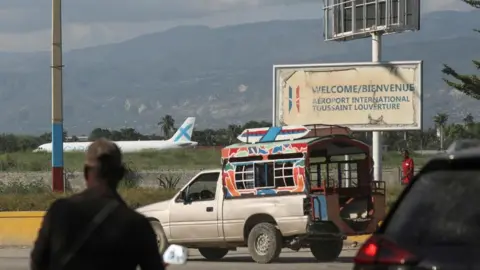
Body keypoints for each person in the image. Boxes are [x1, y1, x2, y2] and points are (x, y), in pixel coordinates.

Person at [30, 138, 165, 270]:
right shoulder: (137, 224)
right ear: (121, 173)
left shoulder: (59, 211)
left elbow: (37, 262)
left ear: (85, 172)